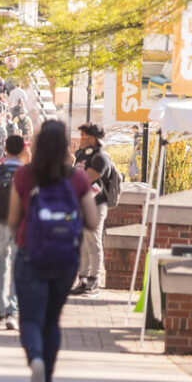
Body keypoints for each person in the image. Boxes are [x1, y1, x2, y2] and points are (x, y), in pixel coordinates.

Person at [8, 119, 97, 382]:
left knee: (31, 318)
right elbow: (93, 221)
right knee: (52, 320)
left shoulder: (24, 176)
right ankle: (45, 381)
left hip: (30, 253)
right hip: (64, 257)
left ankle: (35, 358)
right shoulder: (78, 178)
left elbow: (12, 219)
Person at [0, 133, 30, 328]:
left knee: (1, 267)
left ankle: (0, 310)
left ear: (5, 150)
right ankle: (13, 311)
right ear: (21, 151)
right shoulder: (28, 174)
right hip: (20, 226)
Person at [70, 122, 114, 296]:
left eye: (84, 136)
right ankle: (83, 278)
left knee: (94, 242)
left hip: (96, 204)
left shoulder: (101, 158)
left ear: (94, 138)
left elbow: (87, 179)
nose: (80, 138)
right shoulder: (81, 154)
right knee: (82, 243)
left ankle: (94, 280)